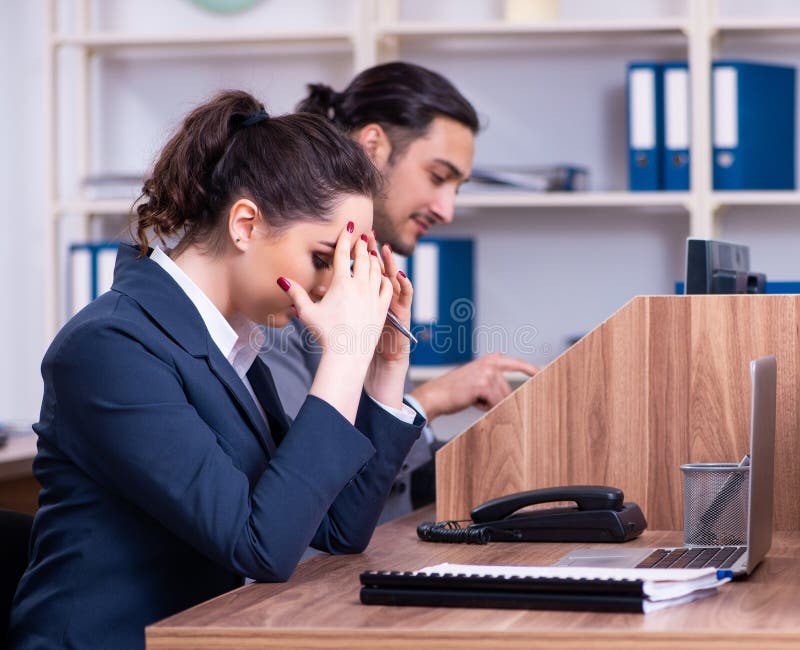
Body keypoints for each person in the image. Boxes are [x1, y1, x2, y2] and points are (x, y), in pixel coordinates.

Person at [8, 90, 424, 650]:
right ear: (246, 225)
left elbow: (336, 530)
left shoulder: (235, 346)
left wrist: (383, 364)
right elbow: (261, 546)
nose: (331, 288)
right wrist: (343, 354)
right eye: (324, 259)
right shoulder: (109, 348)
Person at [260, 62, 538, 521]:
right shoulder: (285, 271)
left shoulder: (369, 270)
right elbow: (299, 476)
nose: (447, 209)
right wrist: (426, 404)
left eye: (457, 187)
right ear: (372, 147)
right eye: (437, 176)